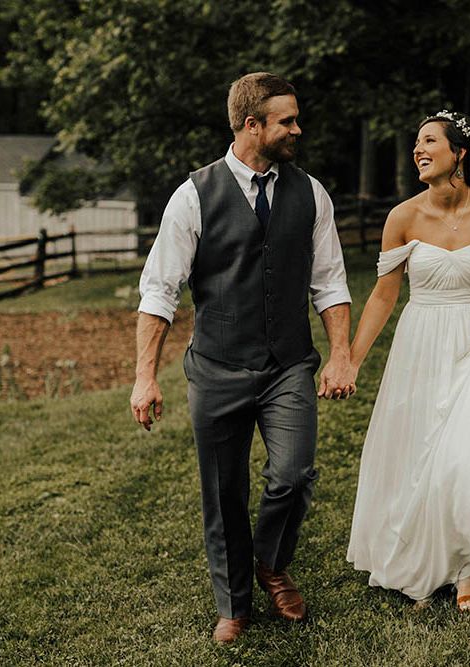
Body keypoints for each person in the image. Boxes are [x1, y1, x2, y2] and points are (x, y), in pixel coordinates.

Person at [130, 72, 355, 643]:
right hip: (217, 369)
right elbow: (159, 291)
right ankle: (233, 604)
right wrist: (144, 378)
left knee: (294, 473)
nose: (297, 129)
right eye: (287, 121)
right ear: (252, 125)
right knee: (223, 491)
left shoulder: (312, 193)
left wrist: (340, 354)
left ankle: (270, 562)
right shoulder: (193, 196)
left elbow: (329, 282)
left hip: (288, 366)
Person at [346, 110, 470, 612]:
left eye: (429, 142)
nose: (418, 151)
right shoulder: (402, 217)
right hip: (421, 342)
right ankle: (428, 551)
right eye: (415, 144)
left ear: (458, 153)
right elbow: (383, 295)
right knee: (421, 450)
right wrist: (352, 360)